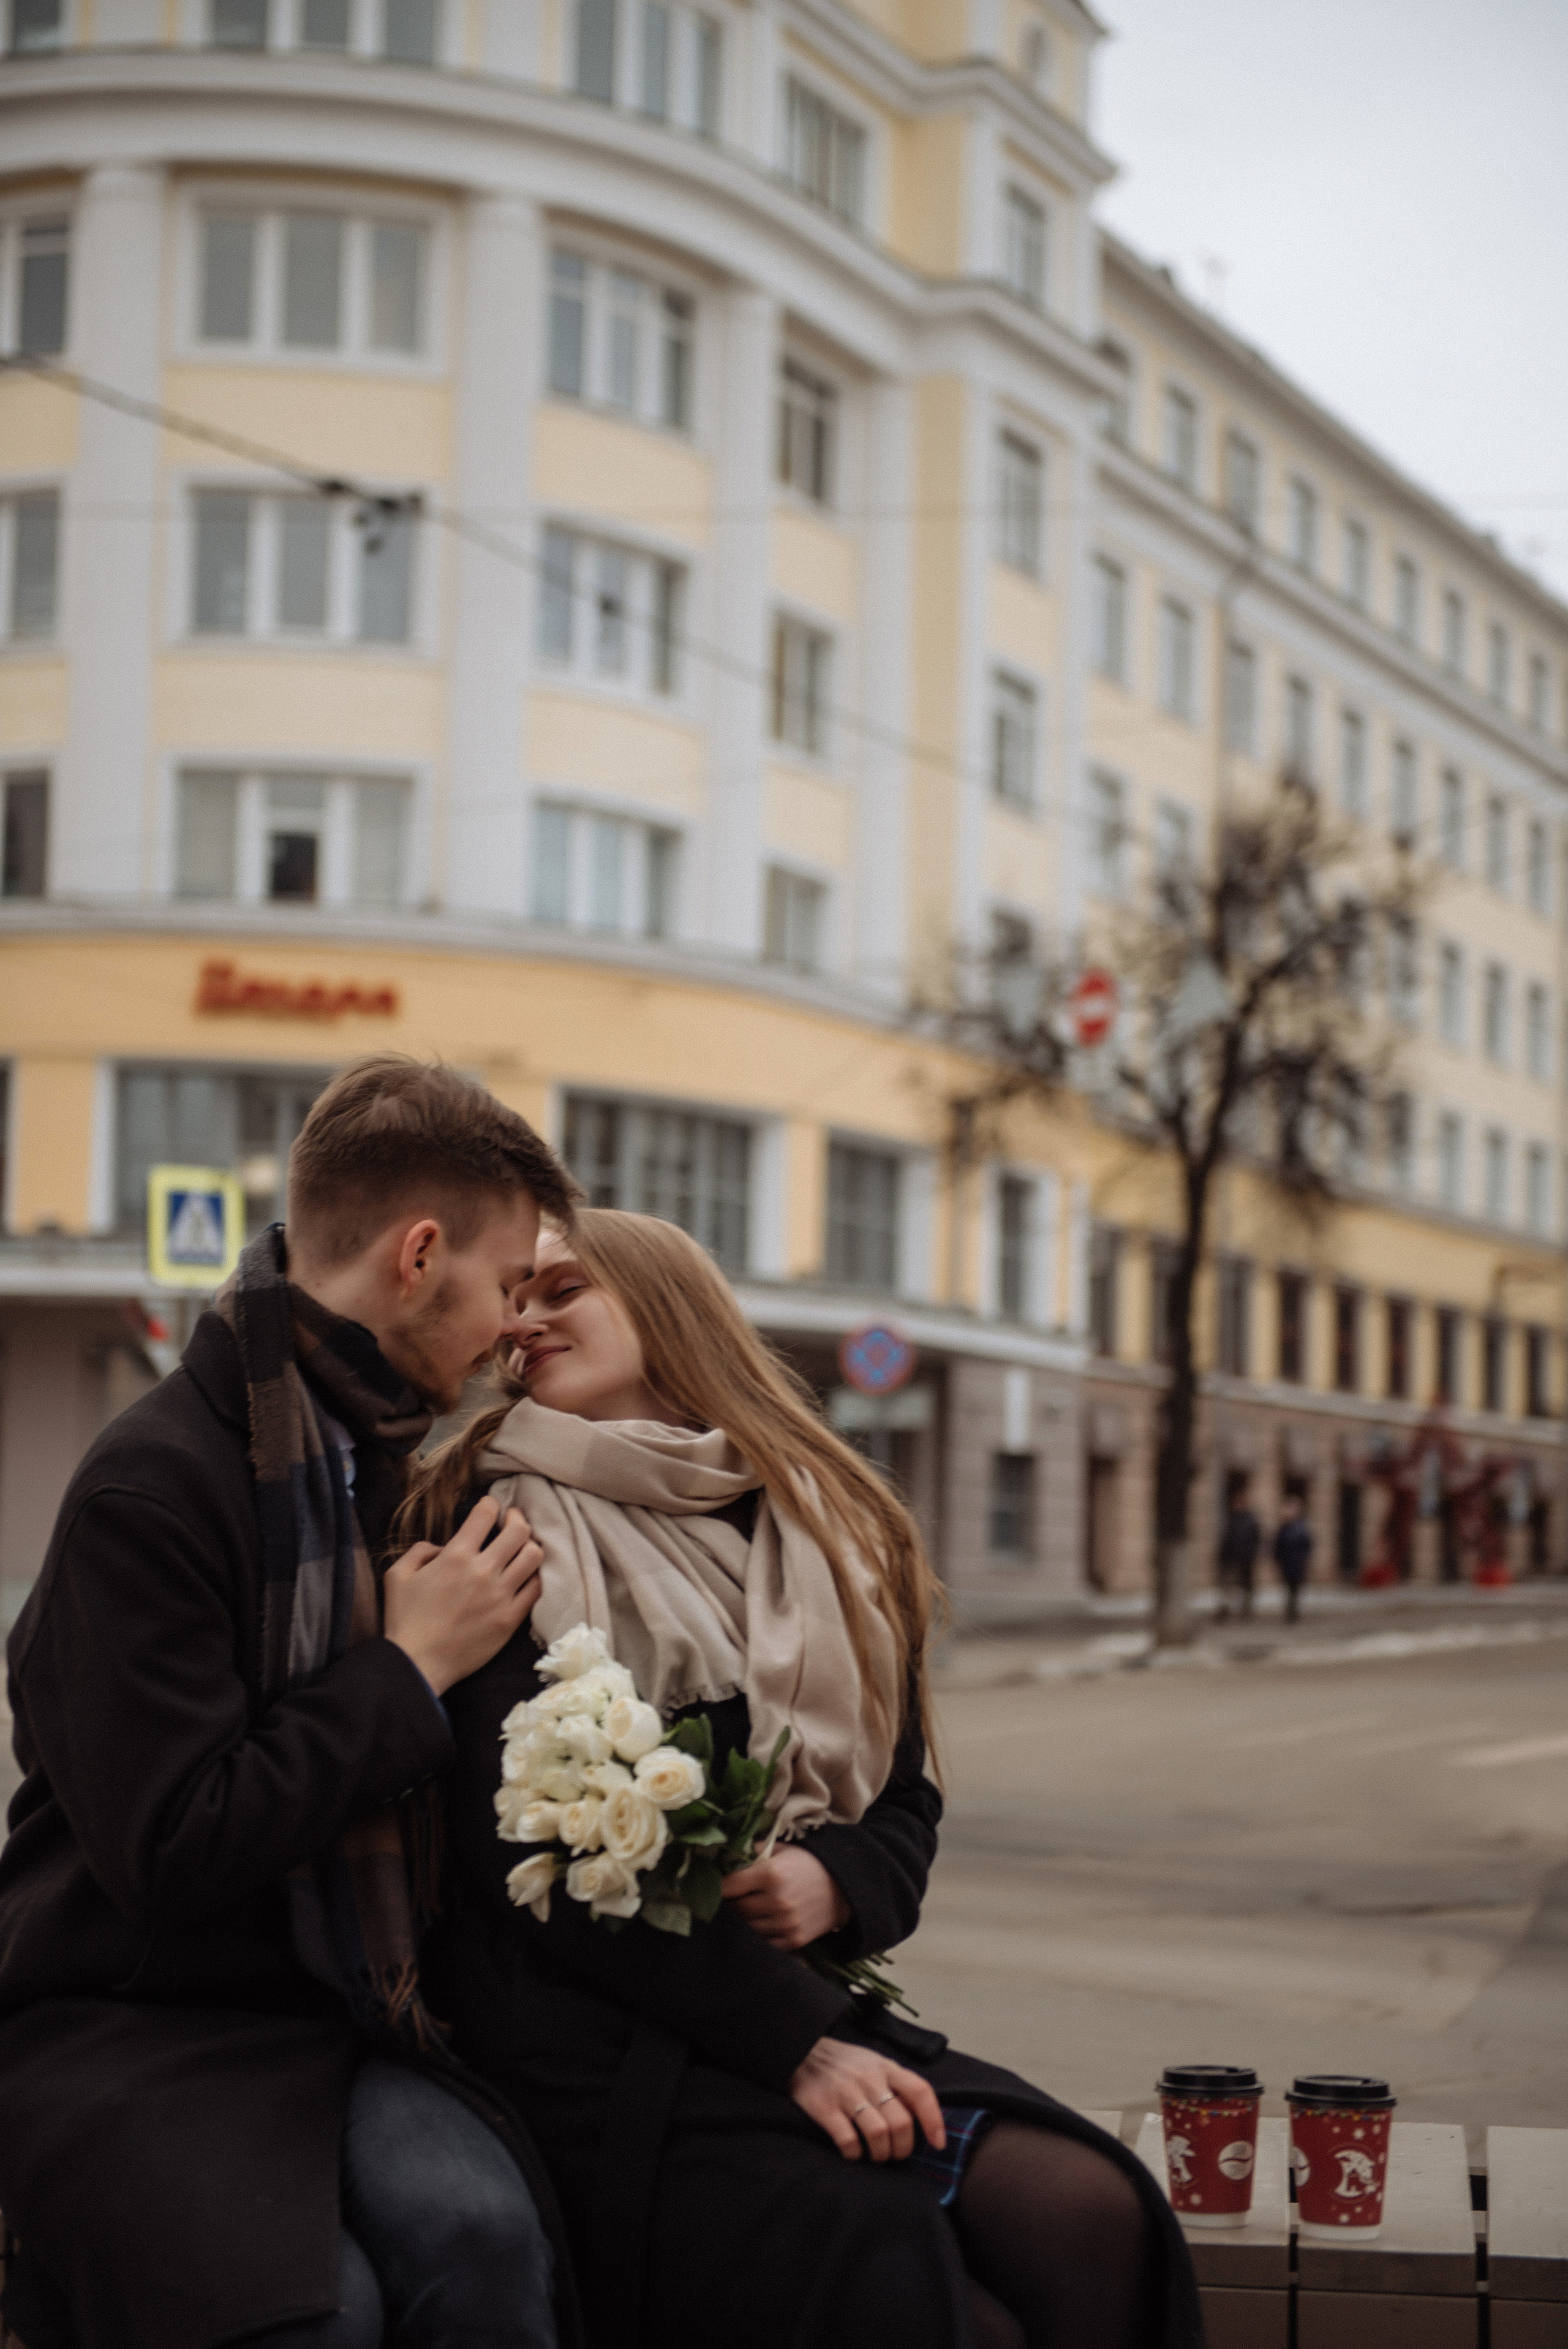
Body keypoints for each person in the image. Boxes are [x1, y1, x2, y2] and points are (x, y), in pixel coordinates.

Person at [407, 1209, 1204, 2349]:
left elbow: (905, 1797)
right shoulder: (482, 1520)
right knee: (930, 2304)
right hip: (603, 2050)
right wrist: (792, 2039)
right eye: (515, 1296)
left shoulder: (823, 1517)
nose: (524, 1318)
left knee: (1095, 2206)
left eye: (562, 1289)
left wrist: (836, 1879)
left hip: (797, 2005)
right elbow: (521, 1851)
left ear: (664, 1303)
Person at [0, 1057, 583, 2349]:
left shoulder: (395, 1469)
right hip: (132, 2026)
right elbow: (174, 1847)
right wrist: (405, 1669)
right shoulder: (153, 1488)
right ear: (418, 1255)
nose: (511, 1329)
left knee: (482, 2243)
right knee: (318, 2318)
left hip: (344, 2022)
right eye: (504, 1285)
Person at [1216, 1480, 1262, 1621]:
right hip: (1231, 1559)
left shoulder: (1250, 1520)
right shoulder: (1231, 1518)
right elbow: (1226, 1539)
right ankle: (1226, 1611)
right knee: (1228, 1587)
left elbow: (1256, 1540)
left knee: (1246, 1587)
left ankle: (1246, 1612)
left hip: (1246, 1559)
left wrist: (1250, 1555)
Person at [1273, 1491, 1314, 1624]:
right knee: (1288, 1588)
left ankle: (1293, 1613)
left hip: (1297, 1563)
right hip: (1286, 1563)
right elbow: (1277, 1545)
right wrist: (1277, 1559)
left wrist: (1304, 1560)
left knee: (1295, 1589)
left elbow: (1307, 1545)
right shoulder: (1284, 1528)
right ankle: (1290, 1612)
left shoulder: (1301, 1528)